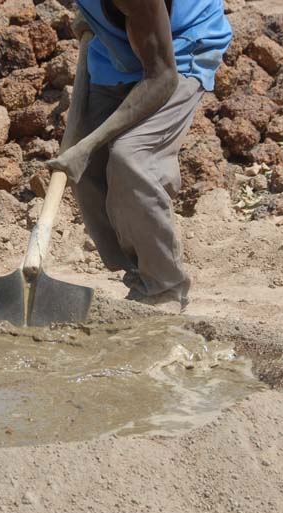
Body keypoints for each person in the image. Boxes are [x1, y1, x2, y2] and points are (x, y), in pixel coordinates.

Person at [47, 0, 232, 310]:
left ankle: (164, 287)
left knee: (131, 157)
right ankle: (139, 276)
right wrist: (96, 16)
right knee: (87, 170)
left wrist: (87, 144)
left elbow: (161, 76)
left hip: (182, 46)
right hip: (117, 46)